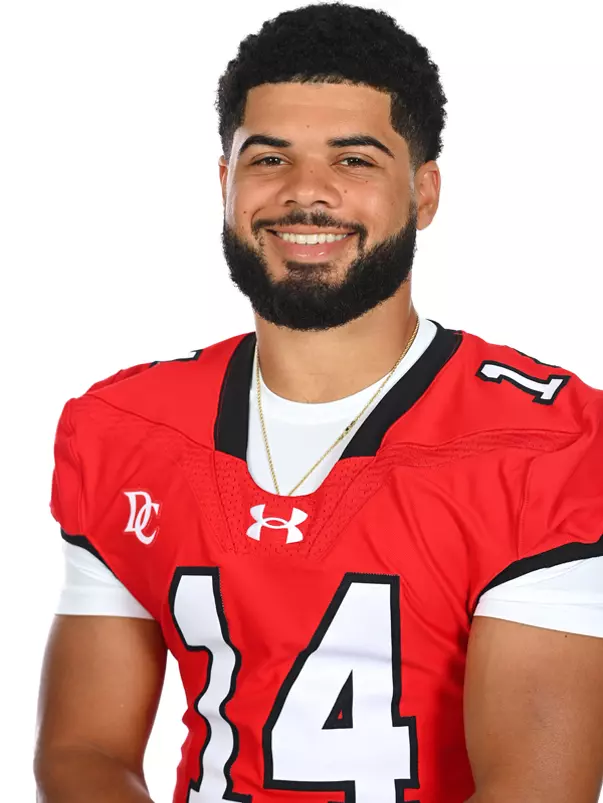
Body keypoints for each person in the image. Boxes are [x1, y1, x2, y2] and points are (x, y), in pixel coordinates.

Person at [35, 3, 603, 802]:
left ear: (424, 192)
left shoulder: (545, 442)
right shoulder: (126, 427)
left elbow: (538, 789)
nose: (306, 194)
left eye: (354, 161)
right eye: (269, 158)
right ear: (225, 181)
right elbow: (83, 749)